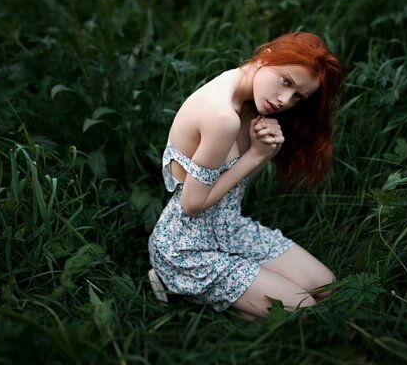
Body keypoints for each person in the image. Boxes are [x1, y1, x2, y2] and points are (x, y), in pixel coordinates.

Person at [147, 32, 345, 319]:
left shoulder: (254, 99)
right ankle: (174, 284)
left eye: (298, 96)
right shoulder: (222, 116)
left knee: (327, 287)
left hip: (230, 228)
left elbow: (236, 182)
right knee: (302, 310)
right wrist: (256, 155)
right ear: (266, 56)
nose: (285, 100)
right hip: (186, 249)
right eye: (286, 81)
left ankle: (243, 297)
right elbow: (192, 204)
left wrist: (265, 151)